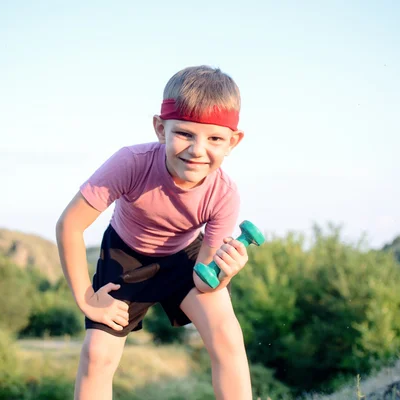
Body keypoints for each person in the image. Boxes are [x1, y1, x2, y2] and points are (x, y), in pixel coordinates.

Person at [55, 65, 252, 400]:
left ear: (233, 141)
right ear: (161, 129)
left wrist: (224, 274)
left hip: (186, 258)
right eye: (185, 134)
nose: (197, 150)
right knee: (98, 356)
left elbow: (204, 280)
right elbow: (70, 225)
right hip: (125, 257)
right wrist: (87, 298)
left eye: (215, 138)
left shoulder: (224, 195)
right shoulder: (131, 163)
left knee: (227, 338)